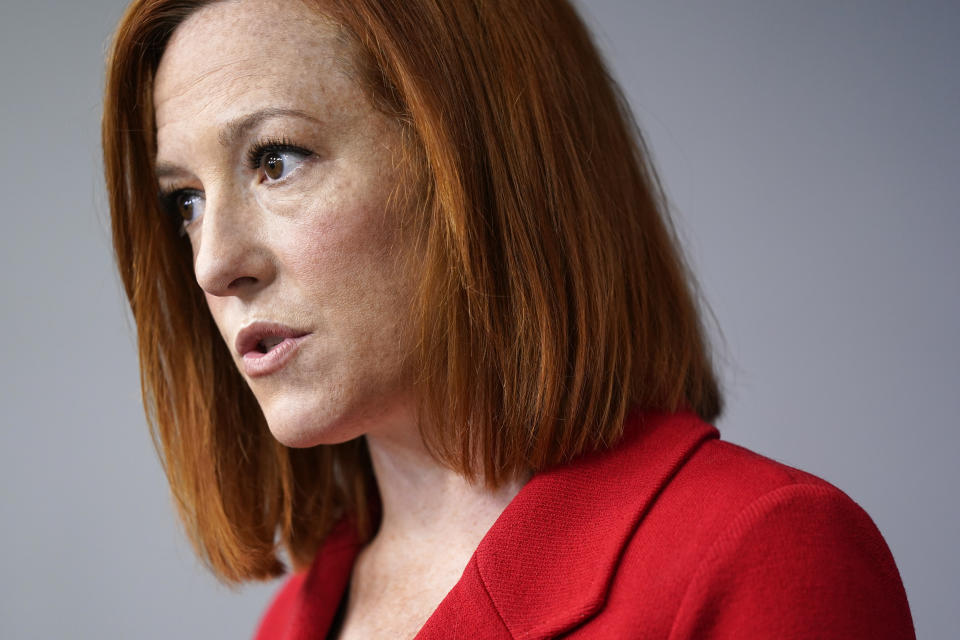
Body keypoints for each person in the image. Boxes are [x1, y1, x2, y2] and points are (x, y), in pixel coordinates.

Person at [101, 1, 915, 638]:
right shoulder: (297, 621)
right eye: (187, 202)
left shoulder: (763, 554)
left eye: (276, 159)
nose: (214, 262)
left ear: (476, 159)